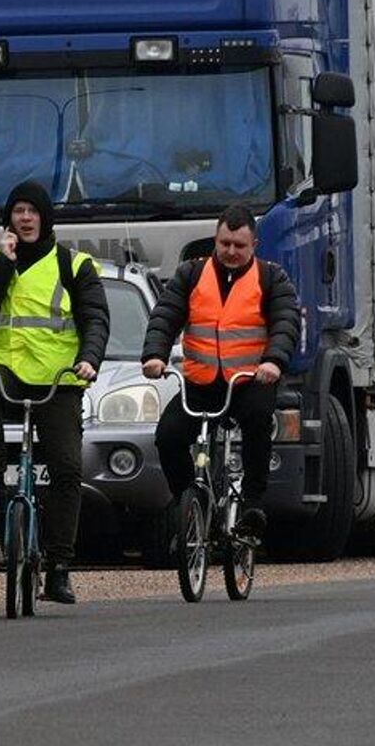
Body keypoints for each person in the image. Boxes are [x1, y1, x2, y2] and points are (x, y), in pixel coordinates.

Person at [0, 180, 109, 604]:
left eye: (32, 211)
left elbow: (95, 317)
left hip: (60, 379)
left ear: (45, 218)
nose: (24, 219)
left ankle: (59, 567)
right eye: (17, 211)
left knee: (66, 469)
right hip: (7, 371)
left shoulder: (73, 265)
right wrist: (3, 265)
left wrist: (90, 358)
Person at [143, 205, 301, 538]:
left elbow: (286, 322)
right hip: (200, 382)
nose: (230, 251)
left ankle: (252, 504)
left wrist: (273, 361)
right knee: (168, 436)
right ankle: (189, 502)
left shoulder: (271, 278)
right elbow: (165, 316)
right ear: (216, 239)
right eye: (224, 243)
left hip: (248, 381)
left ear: (254, 245)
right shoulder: (191, 274)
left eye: (239, 246)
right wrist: (155, 355)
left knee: (259, 420)